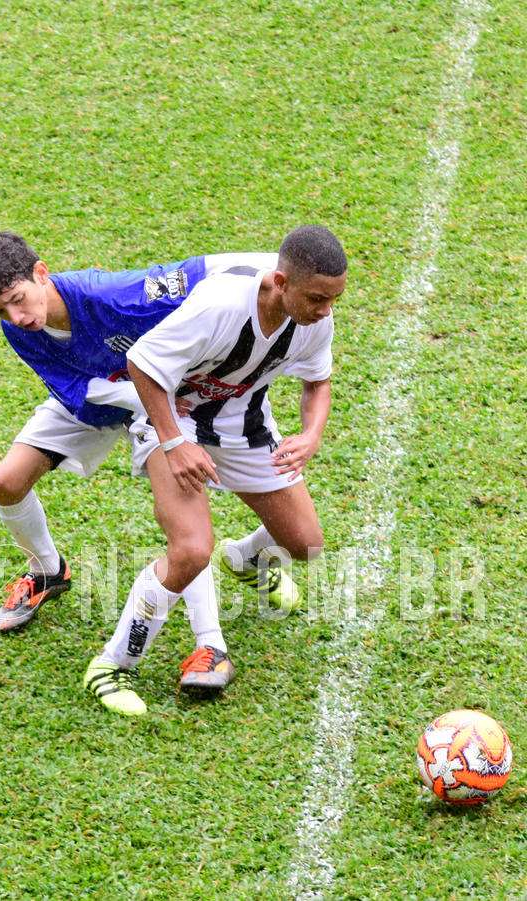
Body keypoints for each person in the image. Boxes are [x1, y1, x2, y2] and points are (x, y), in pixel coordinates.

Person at [0, 232, 278, 715]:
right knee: (7, 481)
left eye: (17, 301)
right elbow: (71, 389)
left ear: (42, 273)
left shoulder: (113, 295)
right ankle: (47, 571)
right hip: (98, 402)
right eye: (0, 311)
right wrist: (131, 397)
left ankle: (210, 641)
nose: (15, 318)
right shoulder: (18, 328)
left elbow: (195, 271)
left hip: (162, 404)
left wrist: (280, 266)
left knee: (184, 531)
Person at [88, 224, 348, 716]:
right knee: (189, 550)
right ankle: (112, 663)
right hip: (170, 420)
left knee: (305, 543)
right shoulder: (221, 305)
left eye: (333, 299)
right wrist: (173, 443)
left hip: (242, 425)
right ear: (280, 282)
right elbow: (141, 363)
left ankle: (248, 559)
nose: (325, 310)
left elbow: (318, 381)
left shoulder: (315, 320)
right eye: (317, 298)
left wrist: (311, 434)